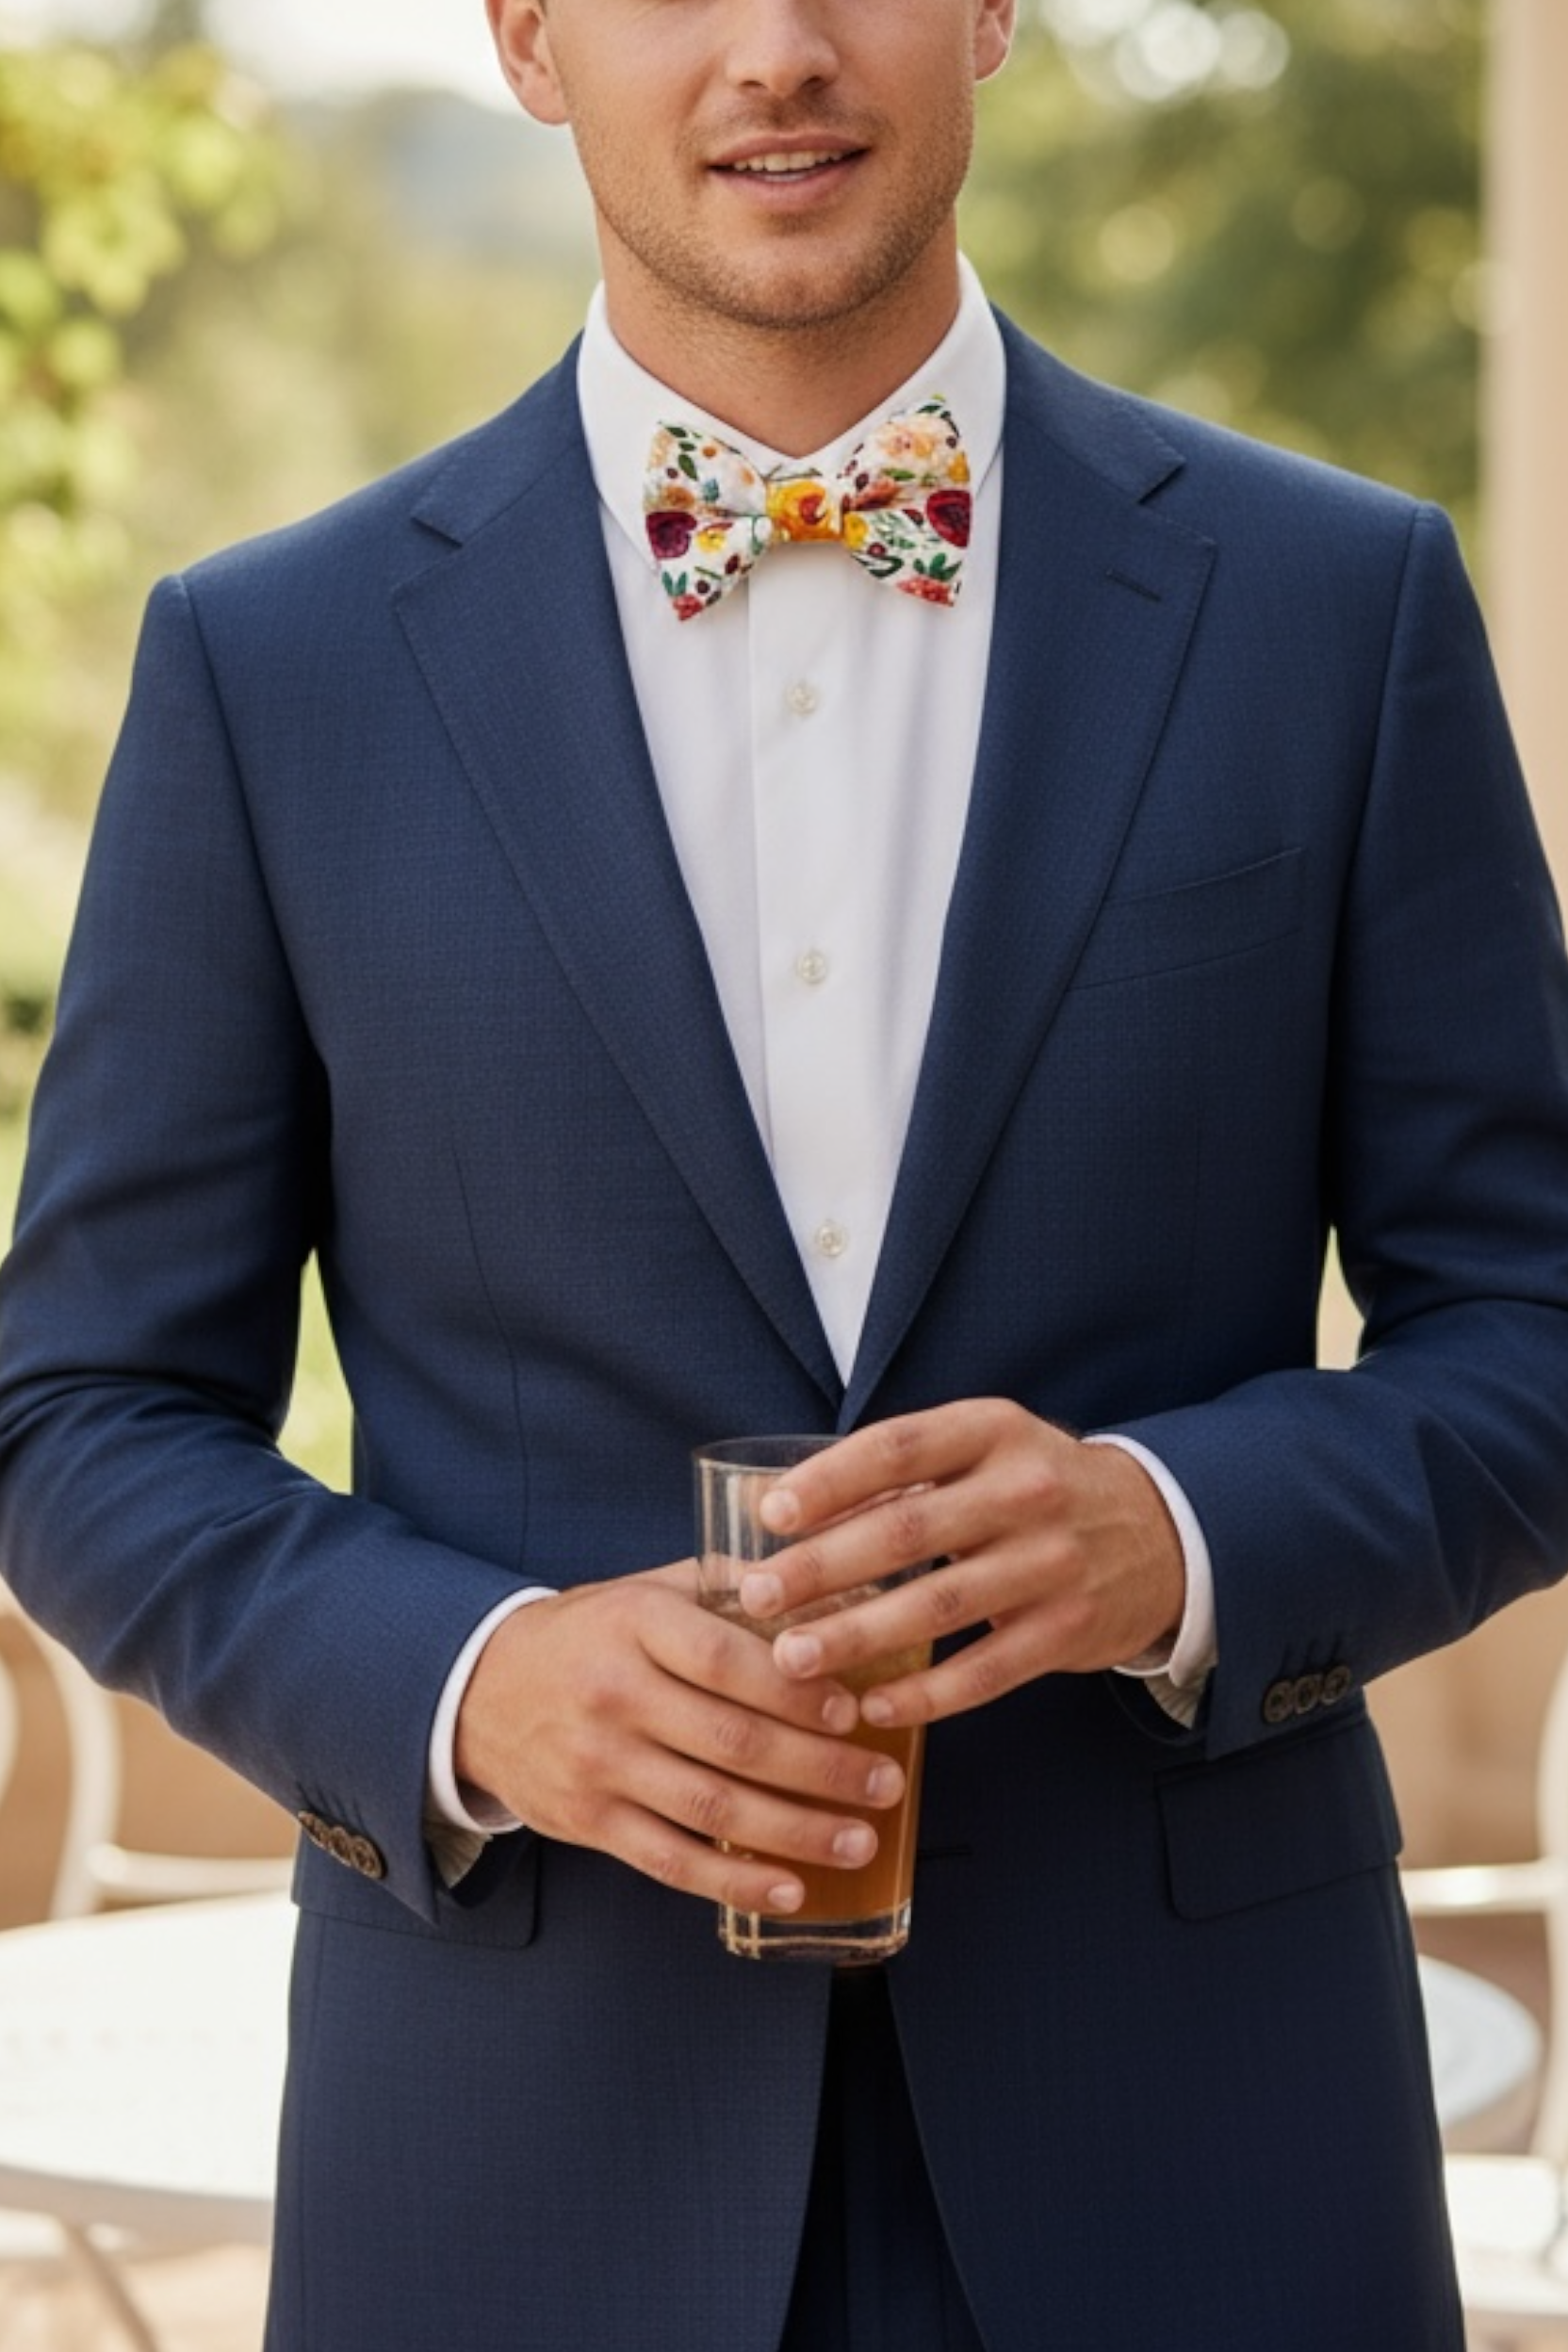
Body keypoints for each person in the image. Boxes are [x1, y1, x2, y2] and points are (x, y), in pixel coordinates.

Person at [3, 0, 1568, 2344]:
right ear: (529, 38)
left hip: (1204, 2155)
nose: (777, 52)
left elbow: (1535, 1324)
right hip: (516, 2154)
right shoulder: (270, 667)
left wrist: (1178, 1531)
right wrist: (472, 1682)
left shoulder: (1333, 608)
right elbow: (78, 1411)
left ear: (989, 16)